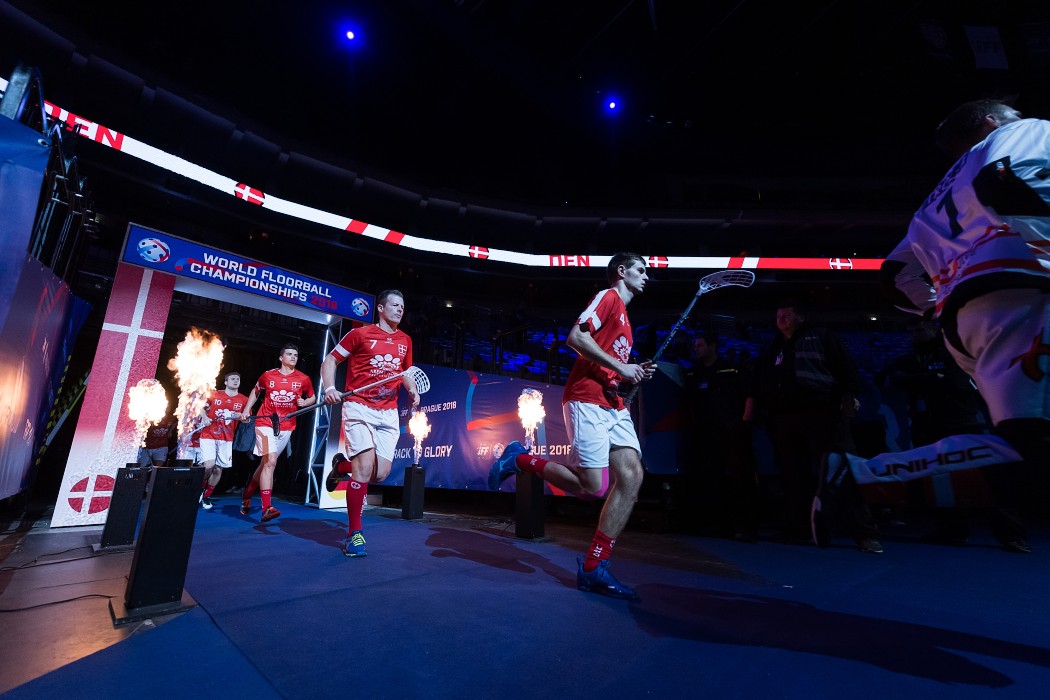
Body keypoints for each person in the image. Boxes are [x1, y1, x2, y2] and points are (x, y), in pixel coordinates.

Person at [819, 99, 1050, 553]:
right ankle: (865, 476)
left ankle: (865, 477)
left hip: (971, 320)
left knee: (1028, 444)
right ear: (992, 121)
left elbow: (892, 277)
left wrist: (935, 309)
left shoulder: (934, 200)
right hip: (1026, 294)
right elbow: (1004, 178)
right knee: (1032, 449)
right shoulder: (1023, 132)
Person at [488, 252, 656, 601]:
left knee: (632, 476)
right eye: (640, 270)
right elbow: (576, 338)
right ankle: (519, 459)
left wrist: (631, 371)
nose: (646, 276)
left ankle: (595, 566)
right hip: (586, 399)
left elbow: (608, 362)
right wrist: (621, 368)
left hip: (612, 402)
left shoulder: (625, 317)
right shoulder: (608, 297)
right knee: (593, 488)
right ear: (621, 271)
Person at [753, 299, 882, 553]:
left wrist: (849, 396)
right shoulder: (774, 345)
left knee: (842, 472)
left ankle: (865, 533)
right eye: (778, 316)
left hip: (823, 414)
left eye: (786, 315)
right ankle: (801, 529)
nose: (781, 319)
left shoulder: (822, 336)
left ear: (801, 317)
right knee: (793, 477)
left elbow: (847, 370)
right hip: (785, 419)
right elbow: (761, 378)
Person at [321, 290, 420, 557]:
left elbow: (406, 373)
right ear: (380, 308)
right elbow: (330, 360)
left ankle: (341, 466)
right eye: (395, 305)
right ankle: (354, 535)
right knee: (364, 469)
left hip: (388, 412)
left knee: (380, 475)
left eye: (402, 306)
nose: (400, 310)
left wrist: (411, 389)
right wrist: (330, 387)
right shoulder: (360, 334)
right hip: (359, 406)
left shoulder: (405, 340)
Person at [683, 332, 758, 542]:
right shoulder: (693, 373)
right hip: (705, 434)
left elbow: (749, 394)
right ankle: (715, 525)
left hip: (732, 431)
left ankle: (743, 526)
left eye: (700, 344)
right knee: (710, 478)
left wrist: (745, 422)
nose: (696, 349)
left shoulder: (732, 369)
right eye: (695, 345)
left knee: (738, 477)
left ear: (713, 345)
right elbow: (689, 404)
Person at [240, 344, 316, 522]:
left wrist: (305, 403)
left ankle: (247, 493)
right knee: (271, 462)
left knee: (266, 464)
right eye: (289, 354)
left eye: (296, 355)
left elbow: (312, 397)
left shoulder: (303, 378)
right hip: (265, 423)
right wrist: (246, 410)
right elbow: (256, 391)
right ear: (281, 358)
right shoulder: (268, 375)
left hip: (286, 426)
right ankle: (267, 508)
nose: (293, 357)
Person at [197, 371, 248, 510]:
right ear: (226, 382)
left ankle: (206, 496)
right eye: (232, 379)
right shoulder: (215, 394)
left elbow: (247, 419)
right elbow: (201, 408)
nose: (236, 381)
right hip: (209, 435)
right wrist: (205, 418)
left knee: (218, 469)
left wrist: (240, 416)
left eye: (238, 379)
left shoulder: (243, 399)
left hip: (227, 438)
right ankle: (199, 489)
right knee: (209, 465)